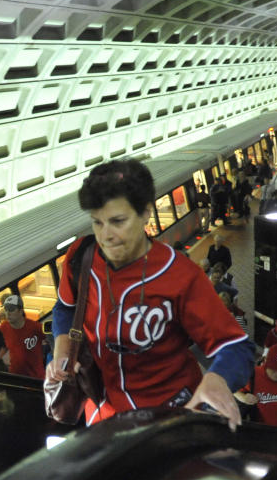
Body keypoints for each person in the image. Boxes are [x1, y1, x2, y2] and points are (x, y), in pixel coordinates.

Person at [47, 159, 254, 429]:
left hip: (169, 417)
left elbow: (237, 346)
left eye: (118, 221)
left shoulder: (181, 276)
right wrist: (62, 343)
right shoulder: (81, 258)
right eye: (97, 223)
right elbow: (65, 308)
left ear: (146, 213)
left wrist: (219, 377)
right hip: (103, 414)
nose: (105, 235)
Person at [0, 294, 46, 379]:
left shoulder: (35, 327)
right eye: (6, 309)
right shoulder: (3, 327)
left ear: (20, 311)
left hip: (37, 377)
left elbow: (51, 338)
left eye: (11, 309)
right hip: (16, 377)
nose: (7, 313)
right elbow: (4, 345)